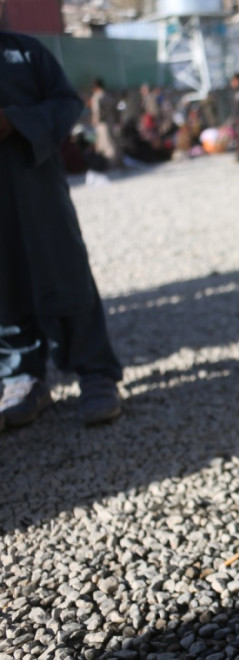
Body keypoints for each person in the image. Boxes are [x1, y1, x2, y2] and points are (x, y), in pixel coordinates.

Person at [0, 25, 125, 429]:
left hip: (35, 185)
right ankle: (21, 377)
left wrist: (15, 121)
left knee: (64, 268)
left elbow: (66, 102)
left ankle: (96, 373)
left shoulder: (26, 52)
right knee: (5, 284)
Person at [89, 77, 120, 169]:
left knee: (105, 144)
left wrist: (95, 120)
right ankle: (116, 162)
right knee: (112, 142)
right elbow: (116, 110)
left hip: (102, 123)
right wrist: (117, 120)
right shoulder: (109, 95)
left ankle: (109, 164)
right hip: (111, 121)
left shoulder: (97, 97)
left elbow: (97, 111)